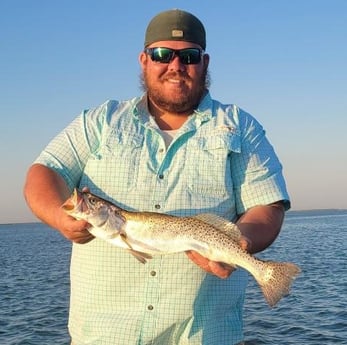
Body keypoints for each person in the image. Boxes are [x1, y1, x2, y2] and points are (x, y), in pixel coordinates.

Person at [23, 8, 290, 345]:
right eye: (162, 54)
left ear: (204, 63)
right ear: (144, 60)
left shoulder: (240, 127)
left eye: (189, 56)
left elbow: (267, 206)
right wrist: (59, 218)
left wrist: (242, 244)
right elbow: (43, 172)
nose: (175, 66)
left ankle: (267, 272)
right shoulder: (99, 121)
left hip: (203, 335)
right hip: (101, 335)